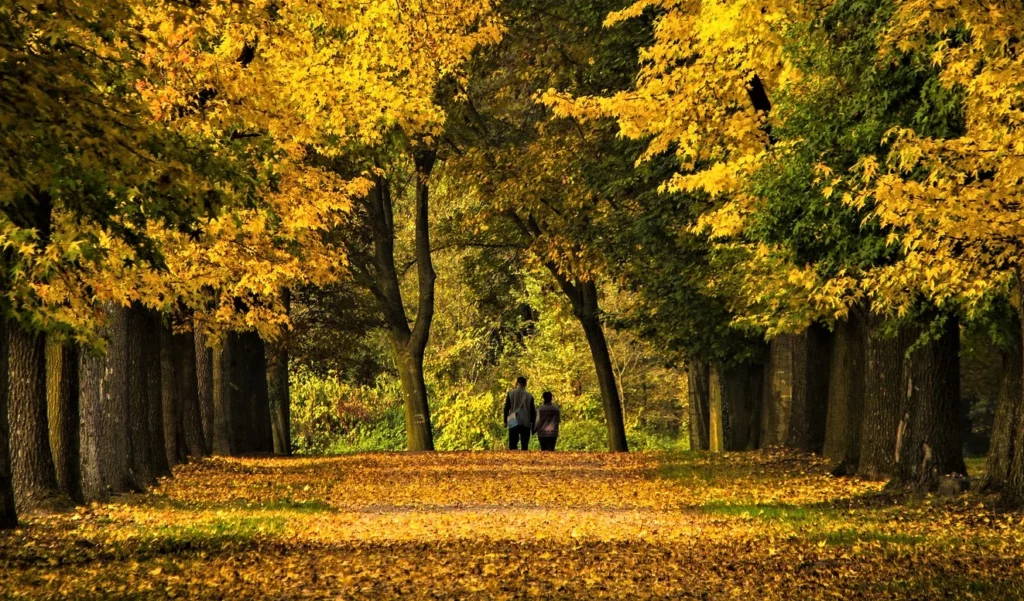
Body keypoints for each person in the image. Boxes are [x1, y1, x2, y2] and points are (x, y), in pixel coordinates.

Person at [503, 376, 536, 450]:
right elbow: (532, 412)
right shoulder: (529, 396)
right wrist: (533, 426)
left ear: (516, 383)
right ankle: (524, 459)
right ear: (525, 384)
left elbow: (506, 408)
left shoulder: (510, 394)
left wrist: (505, 420)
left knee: (512, 444)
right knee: (524, 445)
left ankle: (513, 459)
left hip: (513, 420)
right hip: (525, 421)